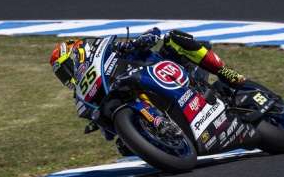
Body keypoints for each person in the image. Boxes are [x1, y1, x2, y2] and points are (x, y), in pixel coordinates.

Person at [49, 28, 246, 155]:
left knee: (175, 39)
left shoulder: (104, 51)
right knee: (123, 147)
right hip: (136, 97)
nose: (67, 77)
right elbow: (105, 129)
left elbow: (148, 37)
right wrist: (98, 121)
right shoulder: (81, 96)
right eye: (62, 76)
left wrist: (141, 40)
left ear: (76, 55)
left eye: (66, 70)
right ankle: (162, 136)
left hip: (162, 69)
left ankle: (227, 73)